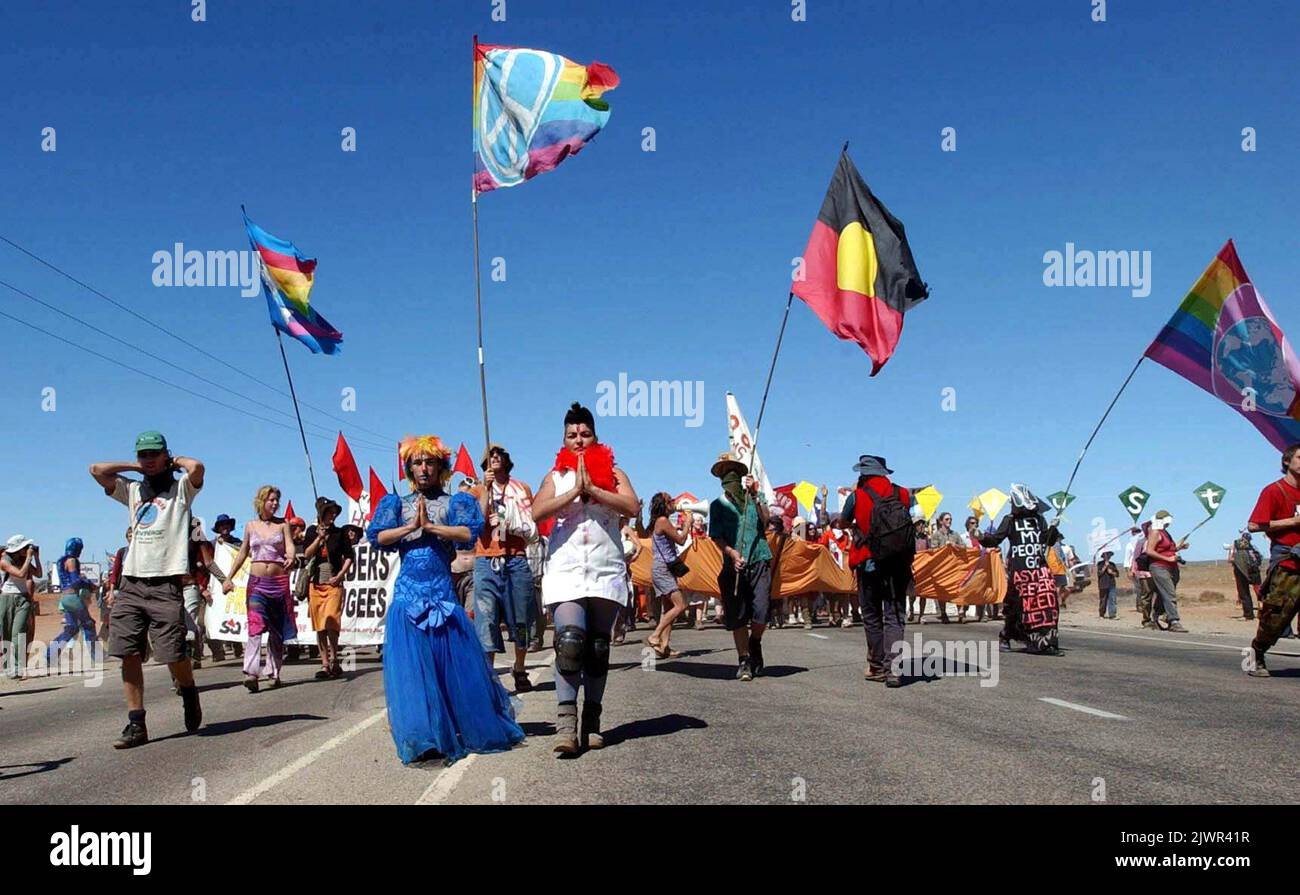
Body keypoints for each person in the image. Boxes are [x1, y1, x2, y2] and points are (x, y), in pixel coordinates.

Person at [367, 434, 524, 763]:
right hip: (407, 595)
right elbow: (378, 537)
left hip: (441, 592)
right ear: (409, 469)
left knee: (448, 665)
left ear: (442, 467)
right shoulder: (396, 504)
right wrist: (411, 526)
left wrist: (433, 528)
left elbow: (469, 533)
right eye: (417, 463)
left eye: (430, 463)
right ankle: (425, 737)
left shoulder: (455, 502)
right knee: (414, 671)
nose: (423, 469)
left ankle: (462, 726)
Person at [531, 403, 640, 754]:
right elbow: (536, 512)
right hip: (566, 569)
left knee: (596, 647)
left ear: (596, 436)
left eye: (585, 433)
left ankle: (591, 722)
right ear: (563, 439)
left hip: (605, 568)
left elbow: (632, 506)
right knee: (569, 642)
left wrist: (594, 489)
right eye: (571, 434)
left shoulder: (615, 471)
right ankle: (566, 727)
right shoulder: (554, 476)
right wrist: (573, 491)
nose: (579, 439)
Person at [89, 431, 204, 748]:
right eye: (143, 454)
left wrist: (173, 462)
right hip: (132, 582)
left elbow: (196, 468)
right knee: (127, 651)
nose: (148, 458)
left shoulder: (180, 490)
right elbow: (96, 470)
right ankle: (136, 723)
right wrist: (135, 468)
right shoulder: (134, 489)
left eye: (154, 453)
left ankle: (189, 690)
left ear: (166, 454)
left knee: (173, 653)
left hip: (166, 582)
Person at [842, 455, 913, 686]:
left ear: (863, 473)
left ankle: (876, 666)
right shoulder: (902, 493)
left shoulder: (857, 495)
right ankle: (894, 670)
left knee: (872, 616)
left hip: (869, 562)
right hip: (898, 563)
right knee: (894, 615)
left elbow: (842, 522)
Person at [473, 444, 538, 693]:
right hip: (486, 560)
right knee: (486, 619)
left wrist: (511, 524)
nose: (495, 458)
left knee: (521, 618)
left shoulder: (522, 489)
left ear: (507, 460)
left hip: (516, 558)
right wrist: (486, 491)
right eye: (490, 456)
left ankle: (520, 668)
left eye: (499, 454)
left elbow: (533, 525)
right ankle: (489, 678)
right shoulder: (477, 490)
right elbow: (477, 522)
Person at [223, 485, 297, 691]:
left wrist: (290, 556)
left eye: (276, 500)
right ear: (261, 501)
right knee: (255, 628)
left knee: (276, 630)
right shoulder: (250, 526)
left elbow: (289, 545)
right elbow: (242, 553)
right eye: (270, 500)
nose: (274, 504)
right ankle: (251, 673)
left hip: (279, 584)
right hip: (256, 584)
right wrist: (229, 577)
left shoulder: (283, 525)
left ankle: (273, 672)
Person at [708, 452, 772, 682]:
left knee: (762, 611)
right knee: (738, 616)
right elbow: (716, 536)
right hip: (733, 566)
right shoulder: (717, 506)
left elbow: (766, 520)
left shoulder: (755, 497)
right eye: (726, 474)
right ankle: (744, 659)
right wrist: (732, 553)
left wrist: (755, 496)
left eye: (734, 472)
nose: (731, 478)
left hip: (760, 559)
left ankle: (755, 641)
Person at [979, 484, 1062, 655]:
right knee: (1017, 607)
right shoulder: (1009, 520)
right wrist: (981, 537)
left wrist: (1053, 529)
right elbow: (995, 540)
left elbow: (1048, 540)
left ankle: (1047, 643)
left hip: (1040, 569)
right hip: (1020, 572)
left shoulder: (1039, 519)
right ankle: (1006, 636)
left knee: (1048, 602)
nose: (1012, 506)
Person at [1245, 443, 1300, 676]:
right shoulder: (1275, 491)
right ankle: (1257, 652)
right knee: (1276, 617)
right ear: (1287, 461)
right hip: (1289, 562)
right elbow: (1254, 525)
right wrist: (1292, 522)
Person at [303, 497, 355, 679]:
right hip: (316, 583)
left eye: (334, 513)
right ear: (321, 514)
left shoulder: (340, 533)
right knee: (320, 626)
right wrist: (319, 538)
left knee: (331, 621)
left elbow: (349, 556)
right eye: (329, 512)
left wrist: (340, 575)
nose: (332, 516)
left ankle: (335, 660)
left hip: (333, 583)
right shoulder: (311, 531)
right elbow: (307, 554)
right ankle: (324, 664)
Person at [647, 492, 689, 659]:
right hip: (663, 569)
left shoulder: (659, 522)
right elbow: (681, 540)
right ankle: (655, 636)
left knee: (670, 608)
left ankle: (664, 647)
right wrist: (688, 524)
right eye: (670, 501)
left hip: (662, 568)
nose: (674, 503)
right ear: (664, 505)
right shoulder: (663, 521)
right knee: (681, 605)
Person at [48, 537, 98, 664]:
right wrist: (89, 584)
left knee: (72, 628)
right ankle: (96, 655)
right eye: (79, 549)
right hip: (73, 597)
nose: (80, 552)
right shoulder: (71, 560)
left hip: (65, 598)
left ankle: (50, 654)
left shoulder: (61, 561)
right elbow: (75, 581)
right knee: (89, 624)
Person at [1, 535, 40, 680]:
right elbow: (21, 573)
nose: (27, 549)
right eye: (25, 547)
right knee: (7, 634)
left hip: (23, 598)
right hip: (7, 598)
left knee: (19, 633)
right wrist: (29, 557)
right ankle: (8, 667)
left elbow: (39, 573)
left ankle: (18, 668)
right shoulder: (4, 561)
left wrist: (36, 557)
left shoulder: (25, 560)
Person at [1144, 510, 1187, 633]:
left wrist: (1179, 548)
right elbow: (1150, 551)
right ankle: (1173, 620)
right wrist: (1168, 558)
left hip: (1171, 567)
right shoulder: (1155, 532)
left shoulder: (1165, 533)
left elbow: (1167, 548)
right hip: (1159, 567)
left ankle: (1156, 616)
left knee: (1164, 593)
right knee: (1169, 593)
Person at [819, 516, 854, 627]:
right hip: (831, 566)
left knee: (845, 592)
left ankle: (845, 617)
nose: (839, 523)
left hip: (844, 566)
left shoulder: (845, 535)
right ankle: (832, 616)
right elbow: (822, 547)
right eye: (837, 521)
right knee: (831, 594)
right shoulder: (828, 534)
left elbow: (849, 547)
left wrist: (847, 549)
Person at [929, 512, 964, 619]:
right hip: (942, 568)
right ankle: (943, 613)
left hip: (954, 567)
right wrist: (944, 547)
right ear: (941, 521)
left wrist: (955, 545)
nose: (949, 521)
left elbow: (963, 547)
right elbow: (934, 550)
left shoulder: (955, 535)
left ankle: (960, 612)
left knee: (958, 589)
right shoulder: (936, 535)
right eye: (947, 519)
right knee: (941, 590)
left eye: (950, 519)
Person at [1229, 532, 1262, 621]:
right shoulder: (1253, 548)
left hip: (1241, 570)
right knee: (1259, 591)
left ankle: (1248, 615)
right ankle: (1263, 612)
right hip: (1255, 570)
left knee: (1244, 592)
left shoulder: (1236, 547)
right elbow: (1260, 559)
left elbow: (1230, 559)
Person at [907, 514, 933, 622]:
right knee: (912, 592)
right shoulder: (911, 537)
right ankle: (911, 608)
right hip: (913, 567)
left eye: (923, 523)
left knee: (924, 593)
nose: (922, 525)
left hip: (924, 568)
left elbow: (931, 551)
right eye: (919, 523)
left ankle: (921, 615)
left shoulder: (926, 538)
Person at [1096, 551, 1119, 619]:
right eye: (1106, 555)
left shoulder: (1112, 564)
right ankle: (1101, 614)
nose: (1108, 557)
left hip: (1111, 584)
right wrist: (1105, 567)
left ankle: (1112, 614)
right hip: (1103, 584)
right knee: (1103, 600)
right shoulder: (1100, 564)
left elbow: (1117, 574)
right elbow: (1099, 573)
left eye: (1109, 555)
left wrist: (1112, 572)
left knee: (1112, 599)